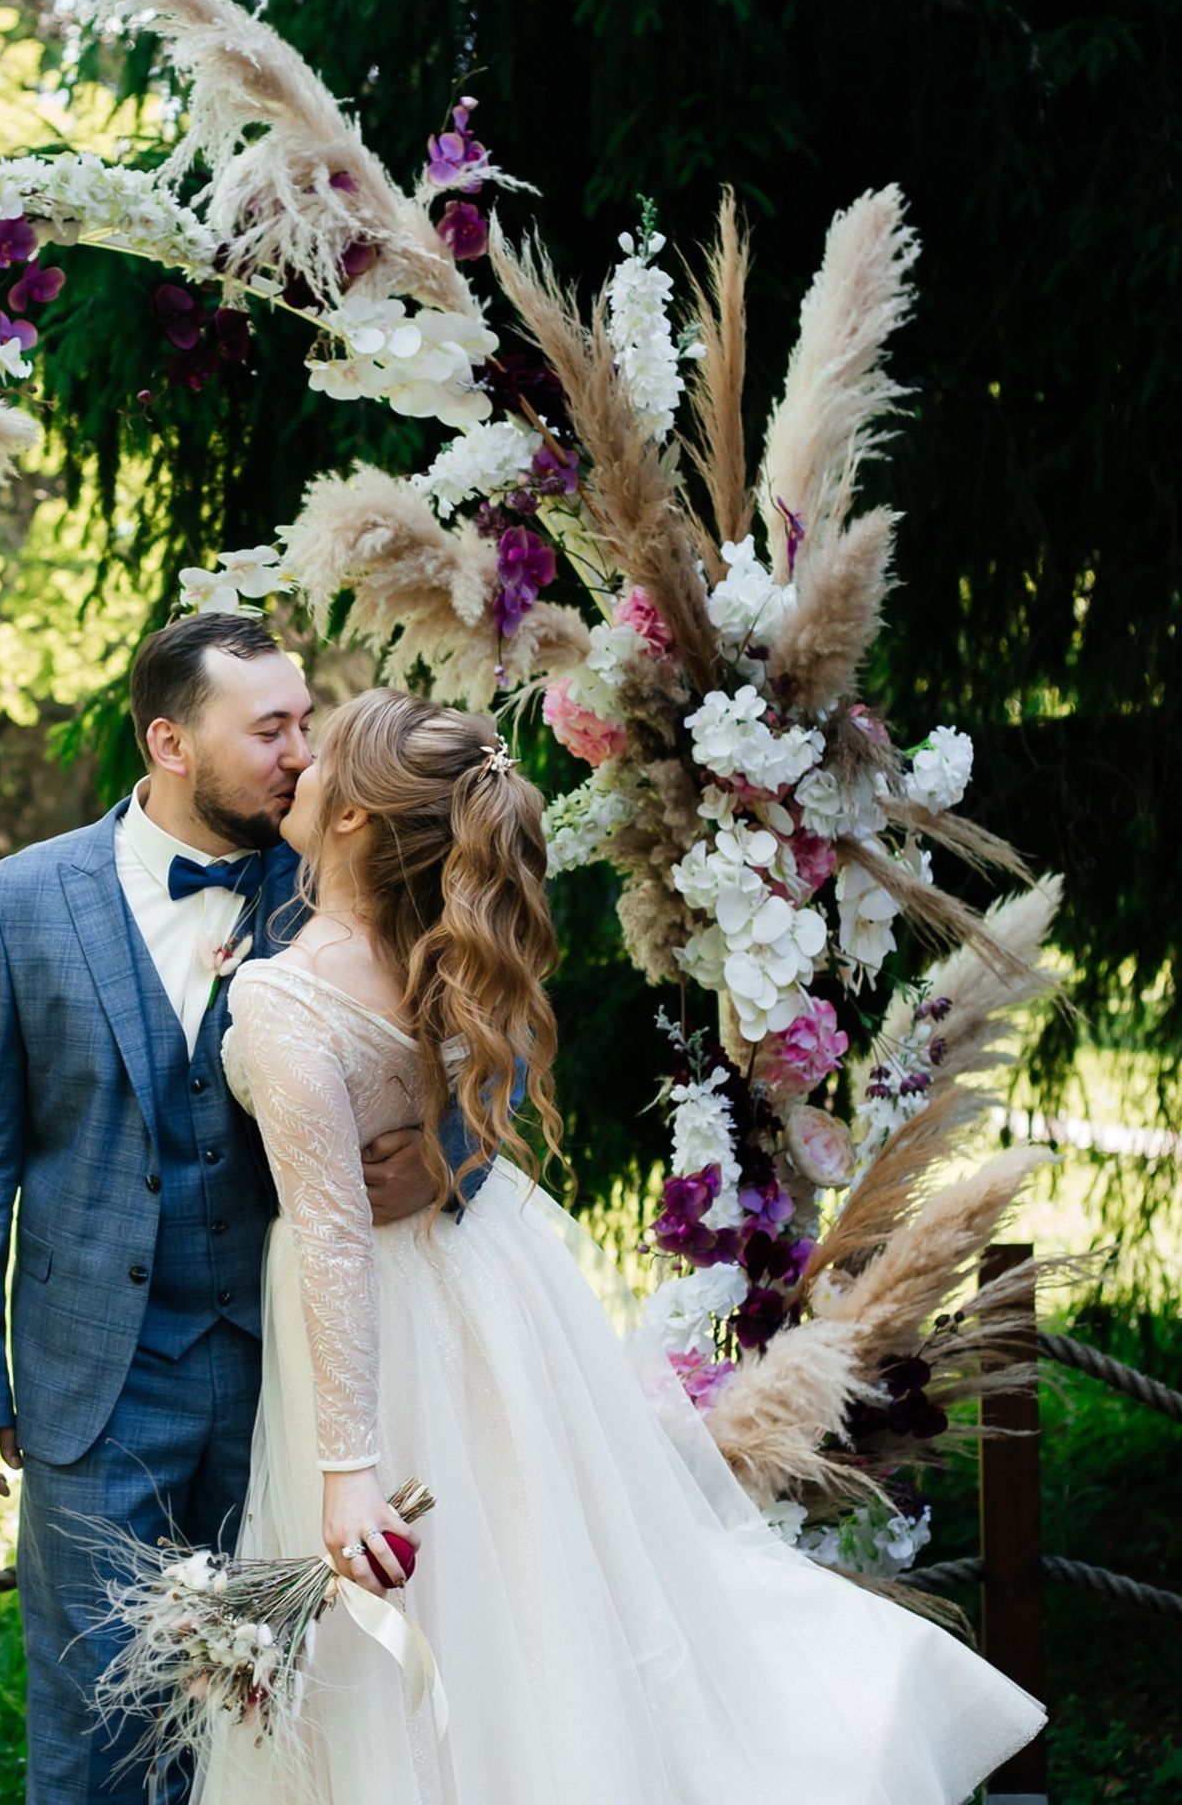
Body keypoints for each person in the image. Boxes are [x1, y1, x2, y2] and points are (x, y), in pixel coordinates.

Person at [203, 686, 1047, 1805]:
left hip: (386, 1333)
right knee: (540, 1602)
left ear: (354, 817)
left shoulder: (283, 994)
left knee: (459, 1633)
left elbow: (334, 1240)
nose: (298, 764)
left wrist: (348, 1473)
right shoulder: (440, 939)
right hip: (489, 1292)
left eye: (319, 757)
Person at [0, 617, 445, 1805]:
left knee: (277, 1723)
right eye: (271, 731)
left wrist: (442, 1156)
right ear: (169, 742)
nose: (304, 758)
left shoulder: (331, 882)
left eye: (306, 724)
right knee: (98, 1720)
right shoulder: (18, 904)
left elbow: (458, 1036)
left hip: (287, 1378)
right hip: (96, 1380)